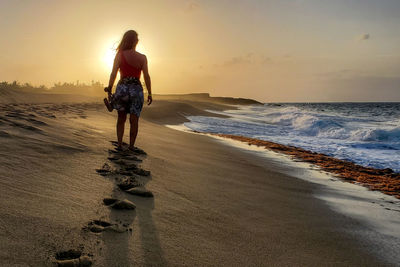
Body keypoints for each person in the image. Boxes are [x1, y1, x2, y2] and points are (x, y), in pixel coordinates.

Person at [104, 30, 152, 151]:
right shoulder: (142, 57)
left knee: (121, 118)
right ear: (136, 41)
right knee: (134, 120)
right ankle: (131, 146)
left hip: (123, 88)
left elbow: (113, 73)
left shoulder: (120, 55)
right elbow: (146, 76)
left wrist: (110, 87)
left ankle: (120, 144)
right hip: (136, 89)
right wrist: (150, 93)